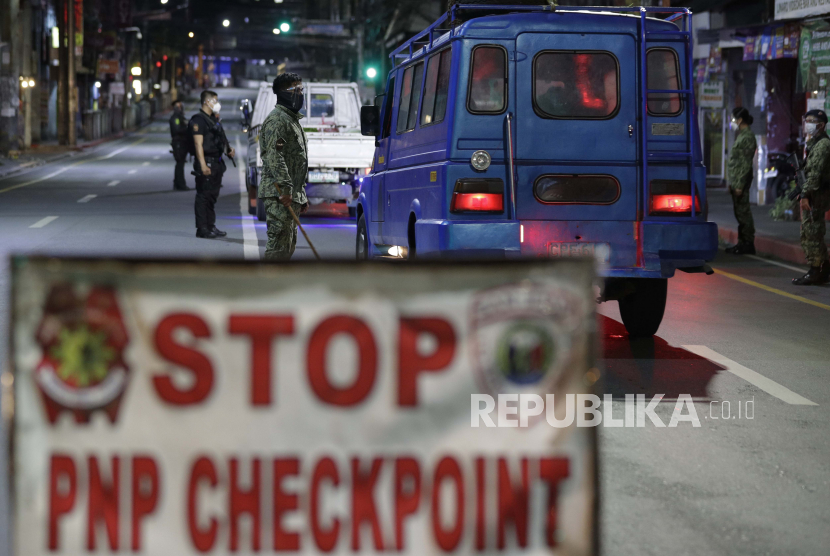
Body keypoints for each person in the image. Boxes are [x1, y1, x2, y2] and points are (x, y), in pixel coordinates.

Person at [259, 73, 309, 260]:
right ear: (283, 93)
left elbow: (297, 160)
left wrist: (300, 195)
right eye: (296, 90)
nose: (300, 94)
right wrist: (286, 190)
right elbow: (274, 157)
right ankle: (268, 286)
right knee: (278, 248)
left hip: (289, 194)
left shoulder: (292, 120)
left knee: (287, 247)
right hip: (278, 193)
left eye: (301, 90)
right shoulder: (277, 120)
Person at [189, 90, 234, 239]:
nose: (217, 103)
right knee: (203, 195)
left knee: (212, 196)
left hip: (217, 163)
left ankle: (210, 226)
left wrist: (228, 150)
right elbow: (198, 144)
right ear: (207, 102)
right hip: (206, 162)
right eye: (215, 100)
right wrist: (202, 165)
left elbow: (219, 138)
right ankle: (202, 228)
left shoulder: (213, 119)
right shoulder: (198, 120)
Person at [792, 109, 830, 285]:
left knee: (813, 232)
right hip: (813, 193)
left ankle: (817, 270)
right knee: (809, 232)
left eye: (811, 121)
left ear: (821, 125)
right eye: (806, 120)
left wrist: (805, 194)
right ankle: (819, 268)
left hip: (816, 195)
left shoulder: (822, 145)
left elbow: (814, 175)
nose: (808, 124)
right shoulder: (814, 143)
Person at [724, 107, 757, 255]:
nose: (733, 122)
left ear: (740, 120)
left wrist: (739, 185)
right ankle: (742, 242)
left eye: (734, 120)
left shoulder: (747, 137)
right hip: (737, 181)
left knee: (743, 212)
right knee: (739, 212)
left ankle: (748, 243)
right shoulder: (741, 135)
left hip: (741, 182)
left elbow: (744, 164)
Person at [169, 99, 190, 191]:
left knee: (180, 163)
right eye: (179, 107)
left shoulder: (180, 117)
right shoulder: (176, 118)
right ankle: (180, 184)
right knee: (180, 163)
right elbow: (177, 129)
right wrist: (188, 129)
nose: (180, 108)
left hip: (182, 142)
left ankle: (178, 183)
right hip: (178, 142)